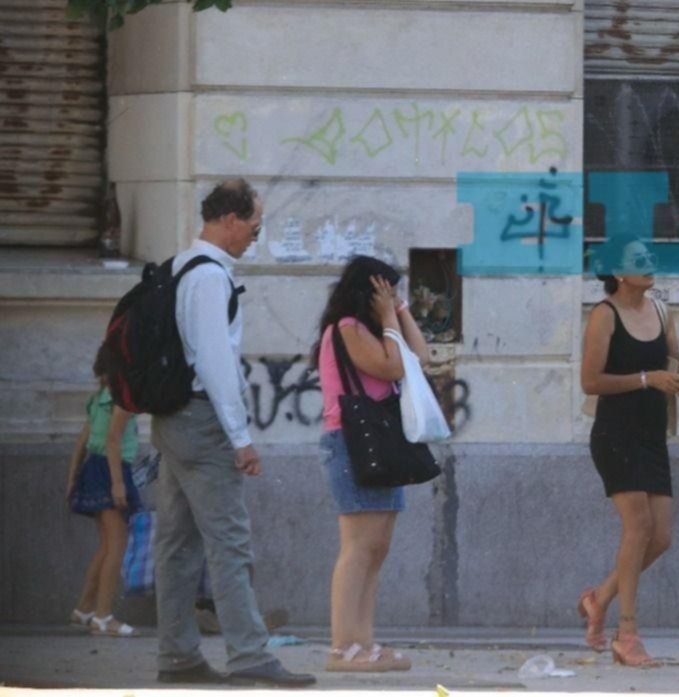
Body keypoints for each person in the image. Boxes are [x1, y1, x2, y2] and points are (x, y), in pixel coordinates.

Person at [151, 179, 314, 687]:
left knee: (177, 545)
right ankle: (249, 655)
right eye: (254, 226)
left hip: (176, 420)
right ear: (229, 220)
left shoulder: (178, 267)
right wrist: (240, 437)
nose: (254, 237)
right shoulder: (209, 277)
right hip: (203, 422)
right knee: (229, 543)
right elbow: (216, 362)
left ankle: (178, 657)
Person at [576, 235, 679, 667]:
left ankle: (599, 597)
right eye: (638, 259)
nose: (649, 263)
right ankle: (626, 634)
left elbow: (672, 365)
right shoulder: (604, 316)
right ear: (619, 272)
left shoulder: (662, 310)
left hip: (652, 434)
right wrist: (647, 379)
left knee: (660, 537)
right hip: (615, 434)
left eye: (650, 256)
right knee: (638, 526)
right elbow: (591, 382)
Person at [315, 256, 430, 673]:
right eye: (388, 290)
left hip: (381, 443)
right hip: (351, 442)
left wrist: (398, 312)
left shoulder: (381, 327)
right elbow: (392, 366)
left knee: (377, 548)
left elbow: (419, 356)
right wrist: (387, 316)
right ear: (368, 291)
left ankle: (363, 641)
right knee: (358, 547)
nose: (394, 298)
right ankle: (342, 645)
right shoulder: (346, 327)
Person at [66, 344, 143, 636]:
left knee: (106, 545)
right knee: (117, 546)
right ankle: (103, 616)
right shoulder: (121, 399)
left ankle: (84, 609)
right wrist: (118, 483)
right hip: (112, 469)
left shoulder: (98, 398)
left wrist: (72, 479)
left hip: (93, 469)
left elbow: (82, 442)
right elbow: (113, 441)